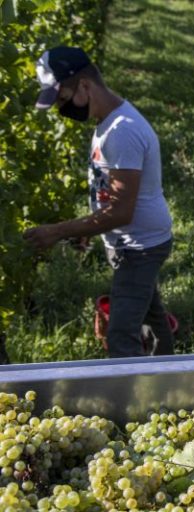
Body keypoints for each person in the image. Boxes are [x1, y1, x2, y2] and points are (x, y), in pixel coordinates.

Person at [23, 46, 174, 358]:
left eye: (62, 99)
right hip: (133, 243)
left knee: (121, 334)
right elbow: (109, 193)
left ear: (84, 85)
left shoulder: (122, 131)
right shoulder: (108, 122)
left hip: (140, 247)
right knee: (153, 318)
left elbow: (120, 210)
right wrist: (87, 228)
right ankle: (168, 377)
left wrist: (58, 230)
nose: (62, 109)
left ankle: (136, 399)